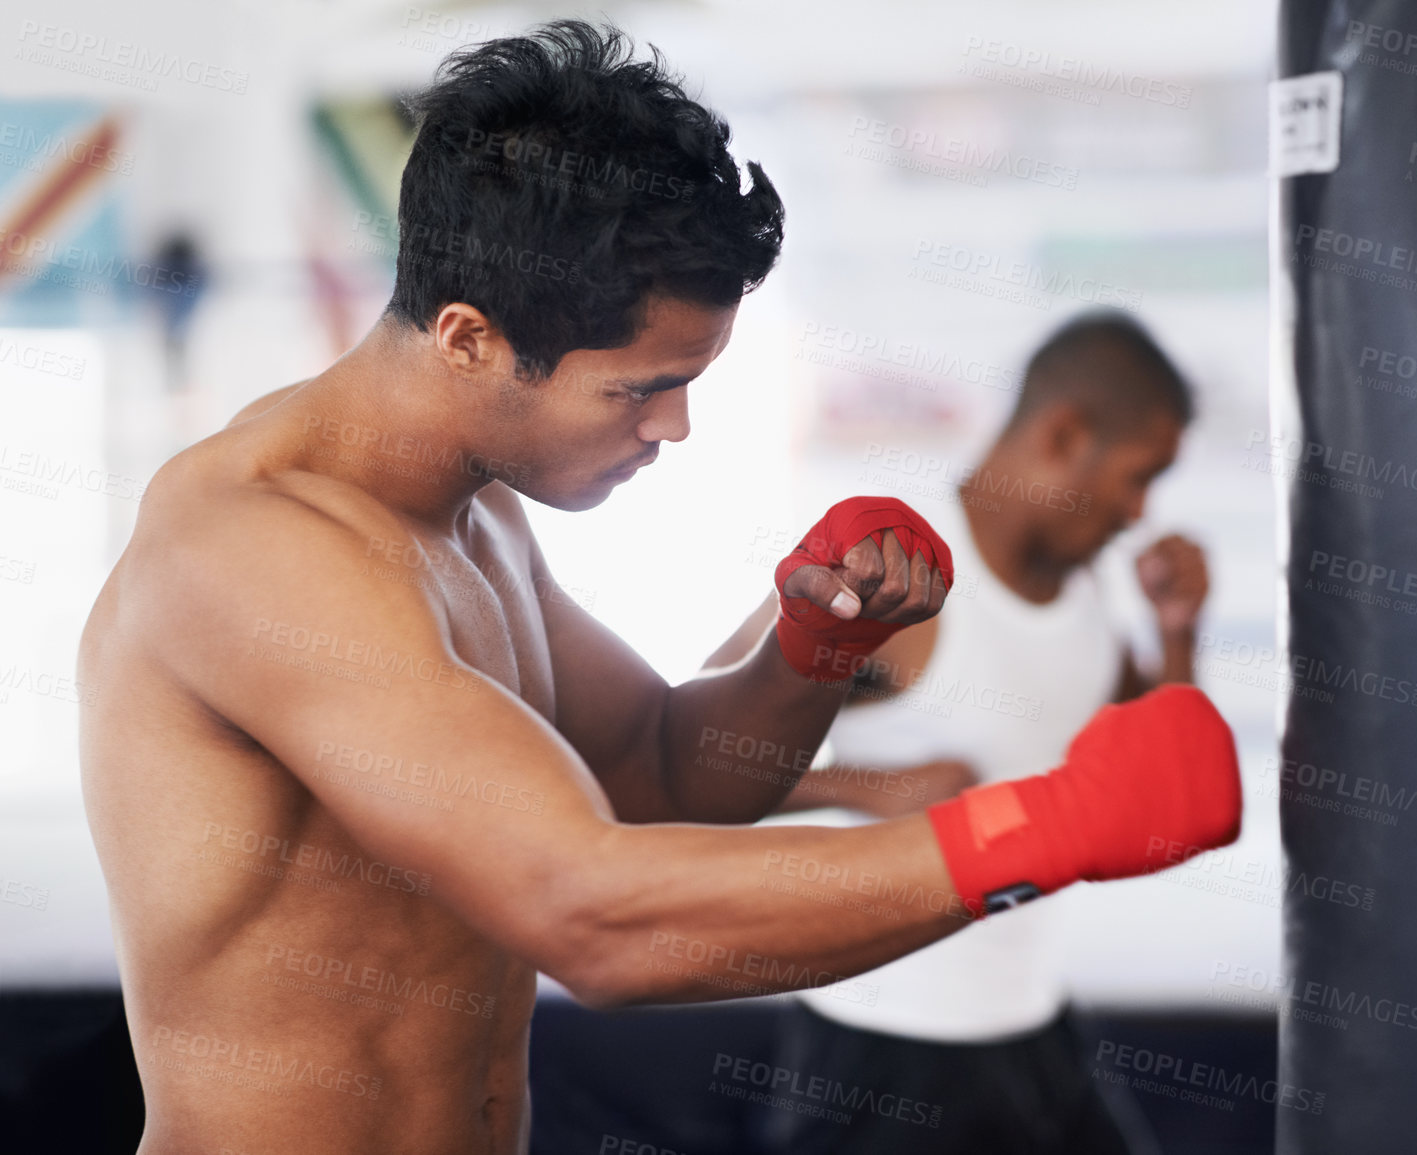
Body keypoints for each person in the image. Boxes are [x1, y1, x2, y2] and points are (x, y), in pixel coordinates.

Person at [77, 23, 1241, 1155]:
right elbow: (590, 916)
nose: (674, 426)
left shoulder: (477, 518)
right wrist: (1055, 825)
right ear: (470, 339)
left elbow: (663, 774)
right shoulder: (253, 549)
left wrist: (811, 652)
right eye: (641, 389)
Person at [707, 312, 1210, 1154]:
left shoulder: (1085, 601)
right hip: (879, 1042)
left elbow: (1166, 786)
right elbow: (689, 756)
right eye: (1136, 477)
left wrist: (1178, 630)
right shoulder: (896, 567)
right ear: (1065, 433)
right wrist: (872, 789)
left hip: (1029, 1024)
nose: (1137, 511)